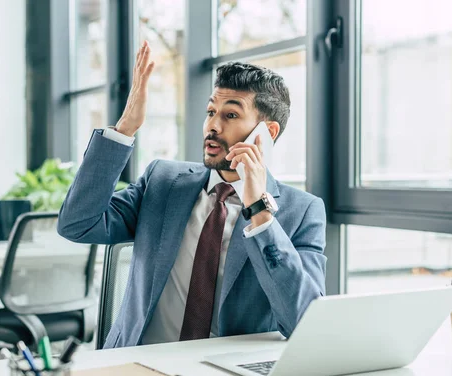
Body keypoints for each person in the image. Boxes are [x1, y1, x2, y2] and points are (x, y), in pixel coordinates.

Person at [58, 41, 327, 349]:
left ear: (268, 133)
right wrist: (124, 130)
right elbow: (77, 224)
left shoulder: (301, 212)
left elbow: (304, 322)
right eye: (211, 111)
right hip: (138, 364)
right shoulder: (163, 182)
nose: (212, 126)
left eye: (230, 115)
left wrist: (259, 211)